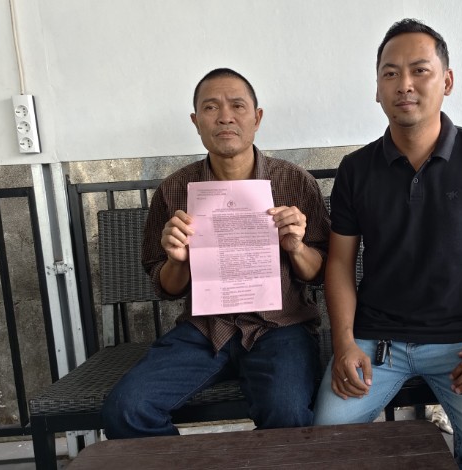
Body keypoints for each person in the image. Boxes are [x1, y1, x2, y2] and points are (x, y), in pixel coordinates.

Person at [312, 19, 462, 469]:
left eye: (419, 70)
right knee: (324, 444)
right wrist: (344, 342)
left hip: (461, 345)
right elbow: (340, 264)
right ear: (377, 89)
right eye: (390, 73)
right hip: (375, 342)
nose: (404, 84)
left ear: (447, 81)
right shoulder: (356, 169)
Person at [102, 68, 330, 438]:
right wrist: (177, 260)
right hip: (205, 329)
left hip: (281, 327)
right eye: (211, 107)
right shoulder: (175, 189)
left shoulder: (294, 182)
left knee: (287, 413)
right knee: (127, 409)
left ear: (257, 118)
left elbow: (319, 271)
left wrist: (297, 248)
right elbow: (166, 287)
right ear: (196, 122)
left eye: (237, 106)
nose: (225, 117)